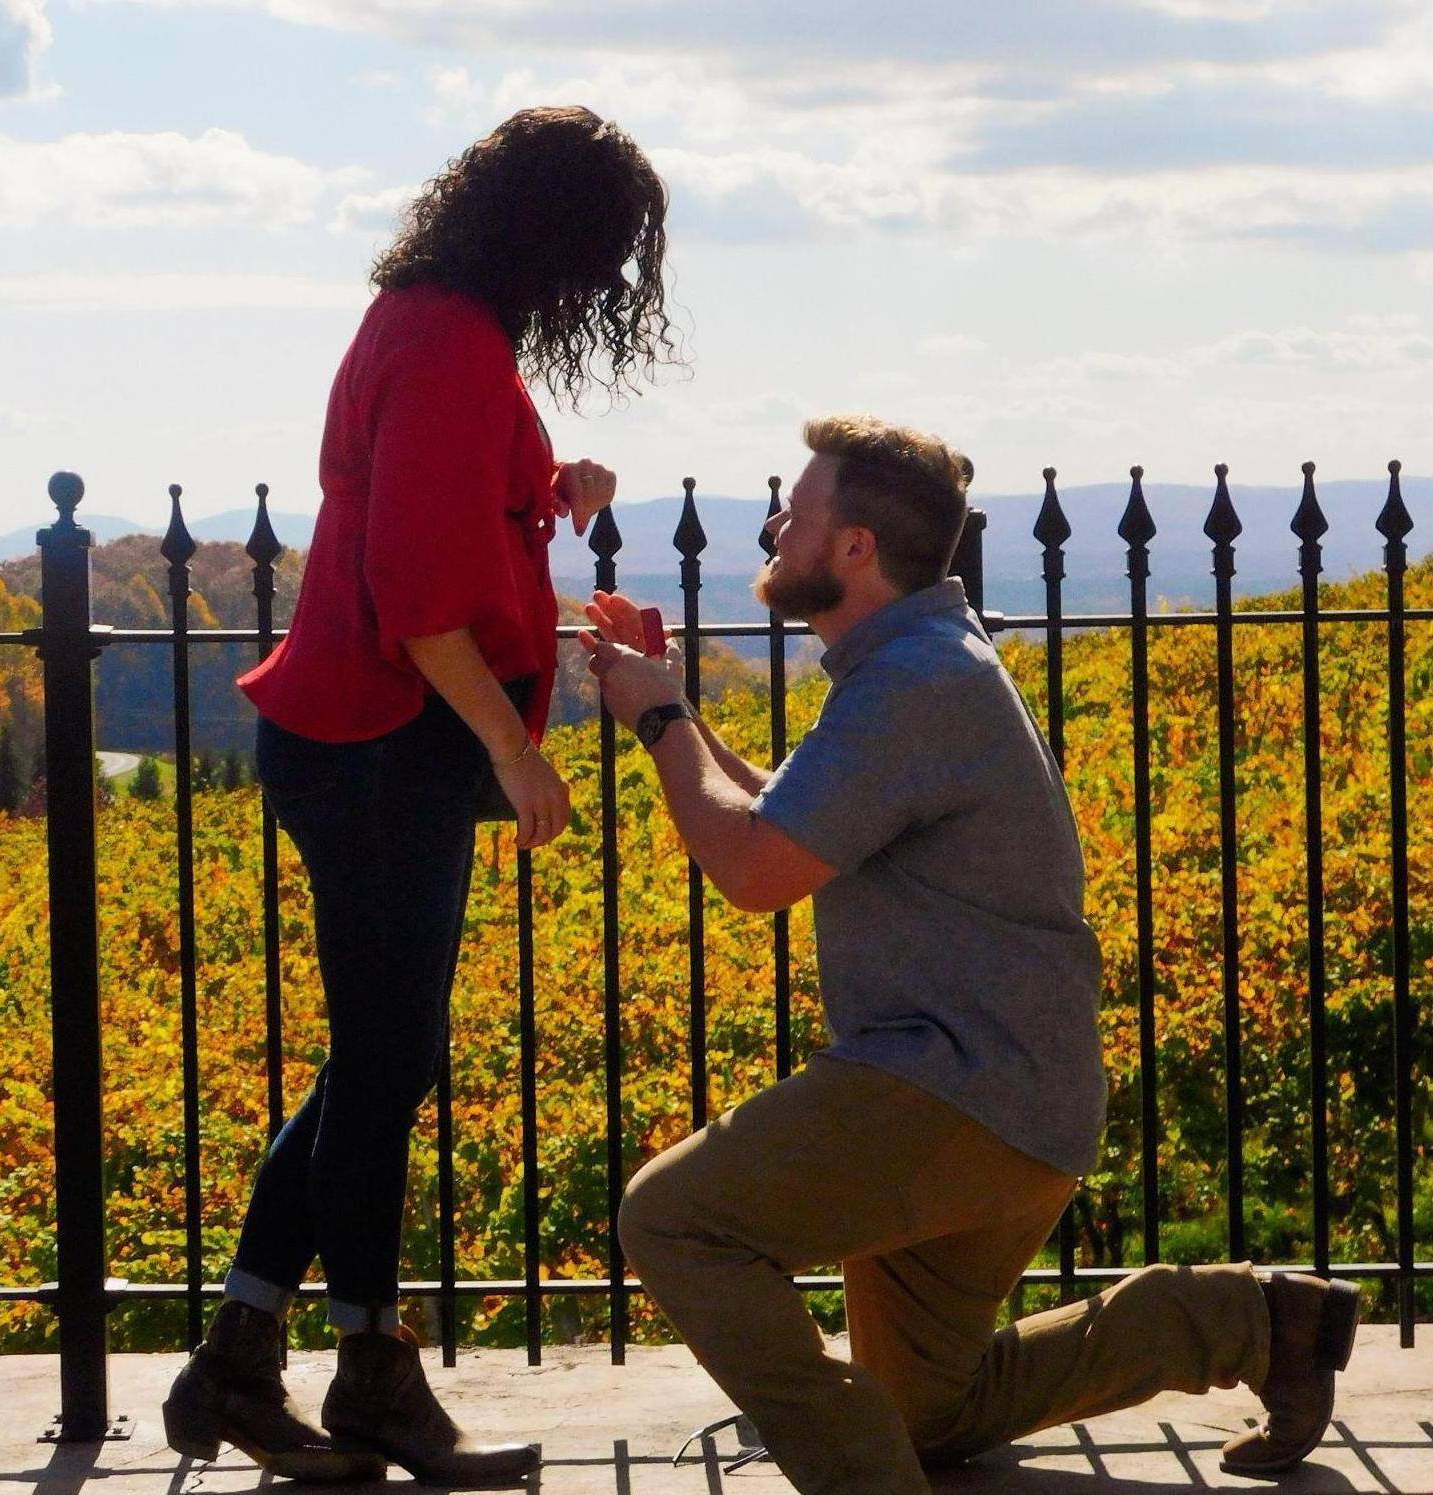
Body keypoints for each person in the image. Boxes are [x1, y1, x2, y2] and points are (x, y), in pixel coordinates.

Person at [579, 414, 1361, 1495]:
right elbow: (784, 811)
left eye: (794, 513)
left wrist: (661, 718)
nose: (771, 526)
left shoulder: (912, 684)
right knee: (933, 1411)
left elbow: (755, 871)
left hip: (954, 1091)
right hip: (1012, 1099)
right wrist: (665, 701)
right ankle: (1254, 1323)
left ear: (853, 548)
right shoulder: (911, 663)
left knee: (670, 1218)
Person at [162, 105, 676, 1487]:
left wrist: (553, 487)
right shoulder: (452, 341)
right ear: (556, 237)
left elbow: (440, 515)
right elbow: (416, 597)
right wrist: (515, 754)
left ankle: (238, 1360)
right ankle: (373, 1373)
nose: (605, 287)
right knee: (386, 1069)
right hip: (387, 742)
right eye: (605, 254)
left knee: (373, 1063)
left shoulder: (429, 322)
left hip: (362, 742)